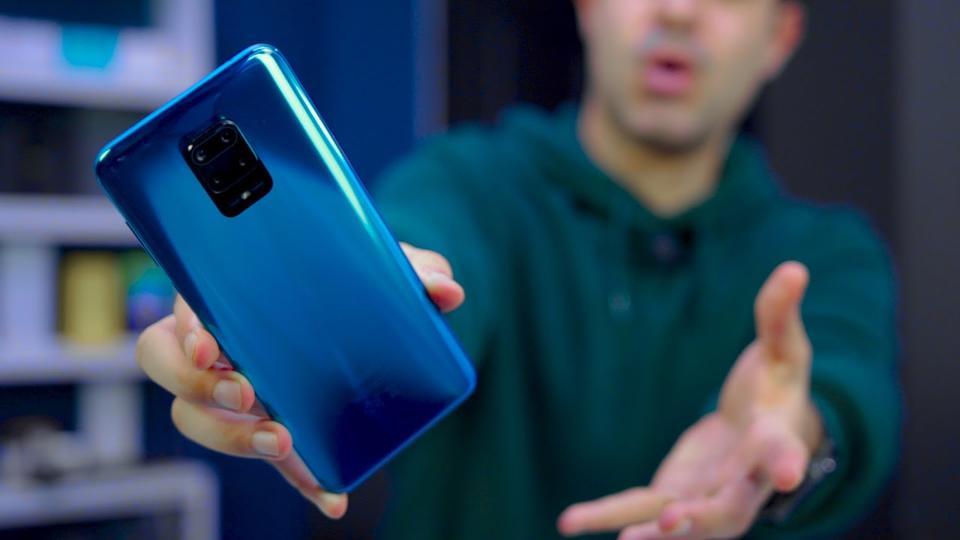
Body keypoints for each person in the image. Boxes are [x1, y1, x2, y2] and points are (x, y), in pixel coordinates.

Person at [134, 0, 900, 538]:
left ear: (779, 35)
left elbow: (848, 384)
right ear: (588, 7)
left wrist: (797, 435)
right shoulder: (469, 181)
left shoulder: (829, 251)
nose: (677, 9)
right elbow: (430, 246)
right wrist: (372, 293)